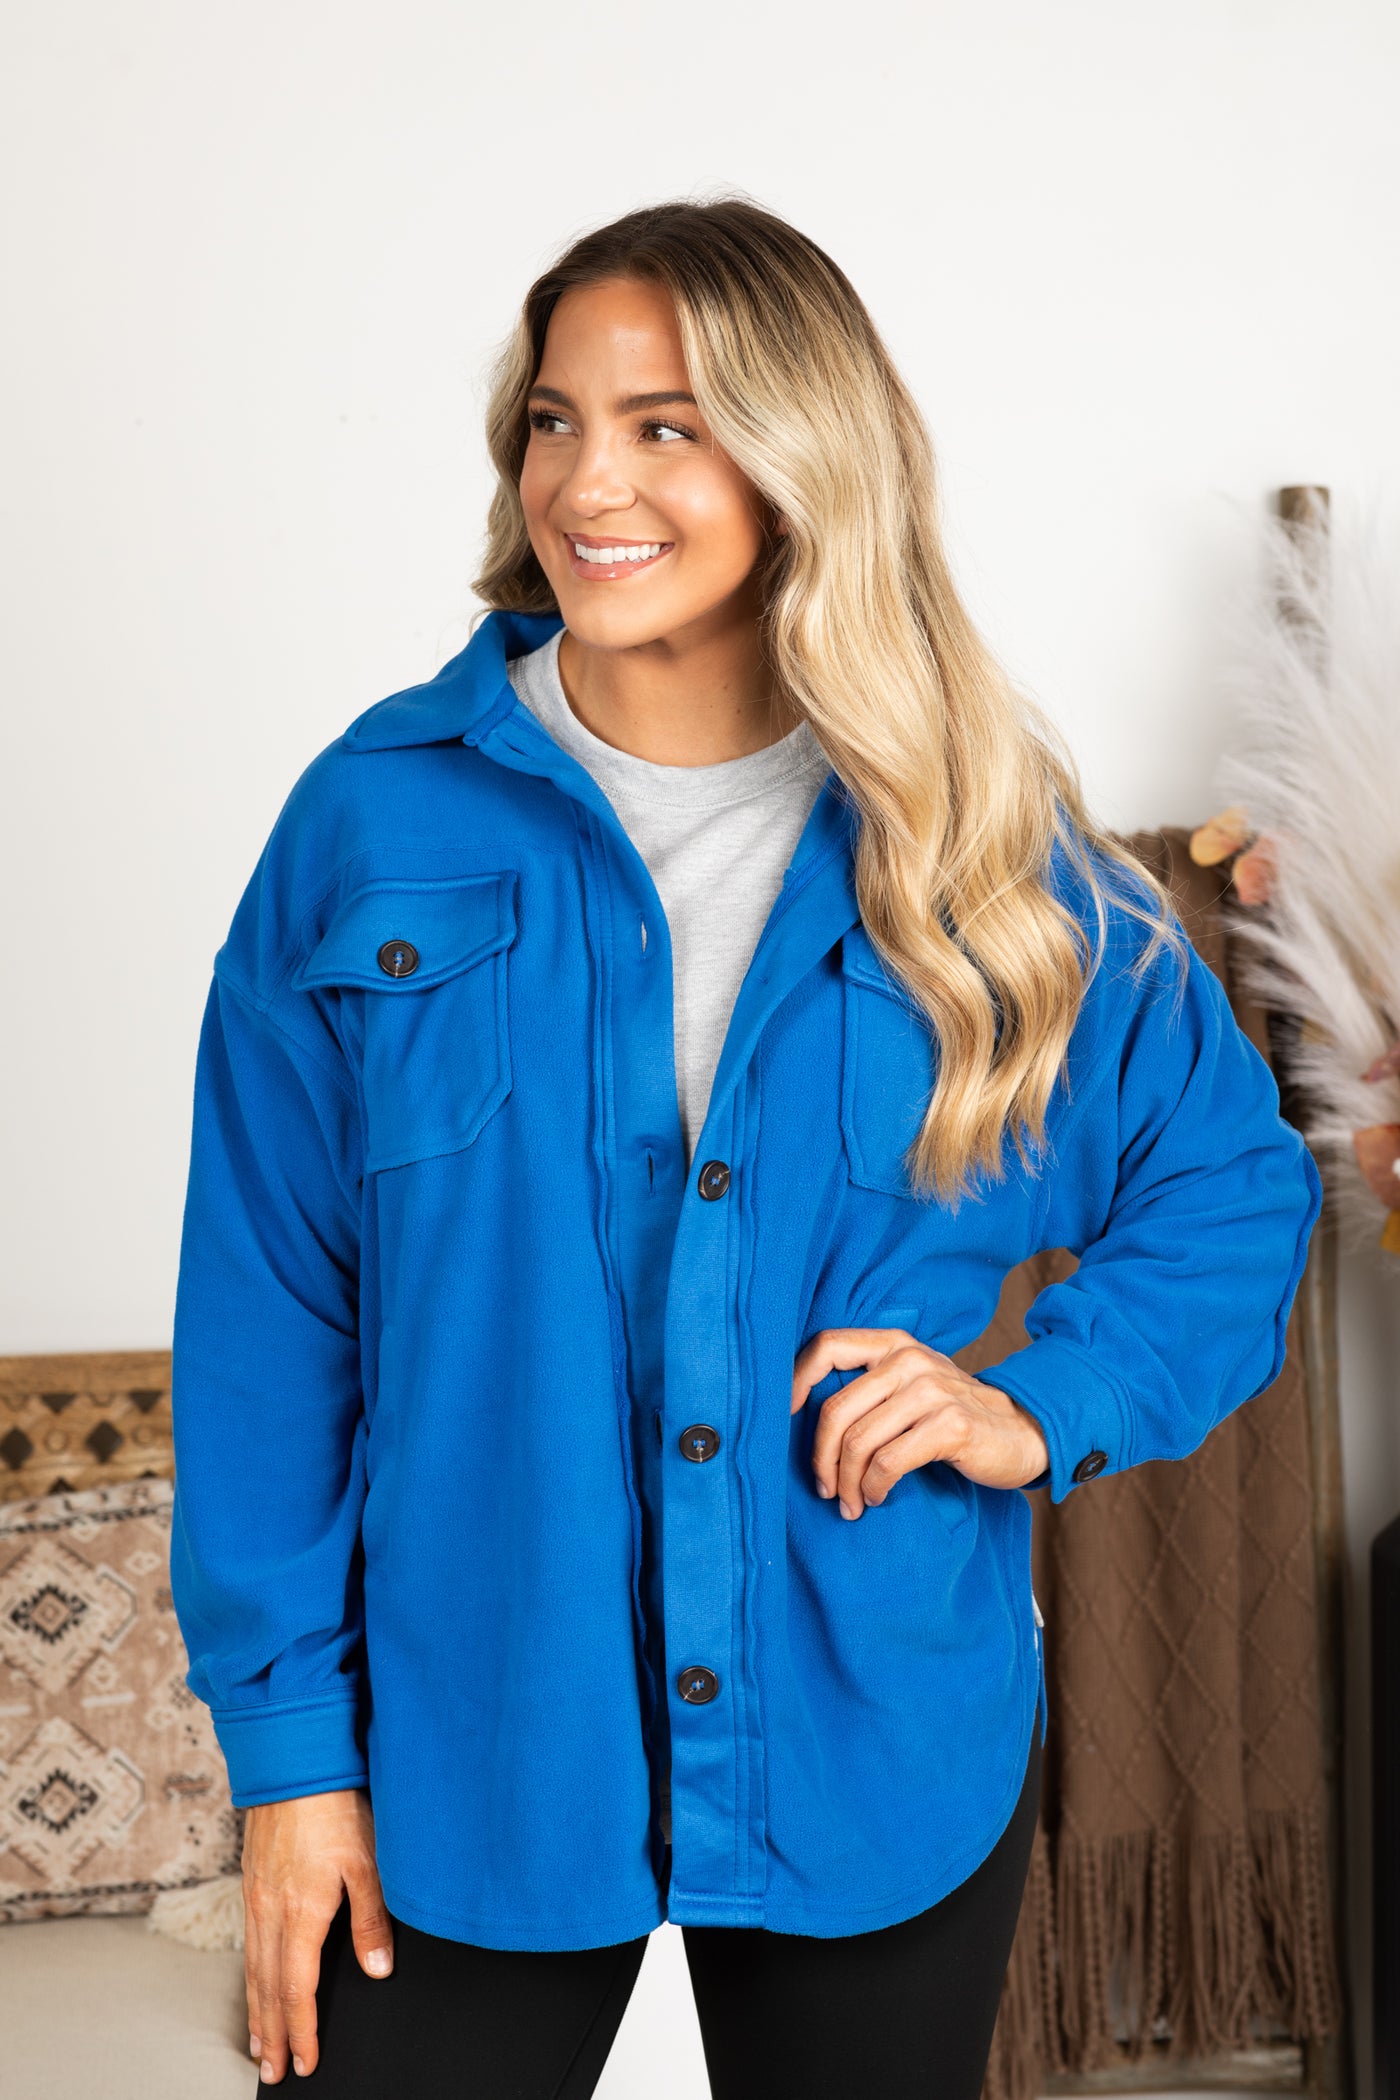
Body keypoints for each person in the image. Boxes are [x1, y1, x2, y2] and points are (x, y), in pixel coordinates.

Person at [168, 197, 1323, 2099]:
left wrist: (1032, 1404)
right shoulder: (372, 824)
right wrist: (291, 1759)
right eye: (555, 421)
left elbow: (1231, 1186)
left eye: (667, 426)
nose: (587, 482)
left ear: (803, 464)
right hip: (469, 1749)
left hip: (874, 1736)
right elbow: (270, 1317)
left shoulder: (978, 847)